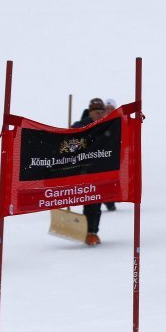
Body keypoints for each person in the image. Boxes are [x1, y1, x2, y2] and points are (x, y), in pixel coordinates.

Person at [72, 98, 106, 245]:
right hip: (85, 171)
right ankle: (88, 232)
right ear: (90, 112)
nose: (99, 115)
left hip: (101, 170)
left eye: (101, 112)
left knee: (98, 203)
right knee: (89, 202)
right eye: (96, 112)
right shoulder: (81, 125)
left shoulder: (106, 125)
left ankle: (94, 232)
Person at [102, 98, 118, 211]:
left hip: (114, 154)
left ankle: (110, 201)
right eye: (106, 108)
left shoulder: (118, 120)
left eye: (111, 108)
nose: (108, 110)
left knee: (112, 178)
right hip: (100, 154)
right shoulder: (99, 120)